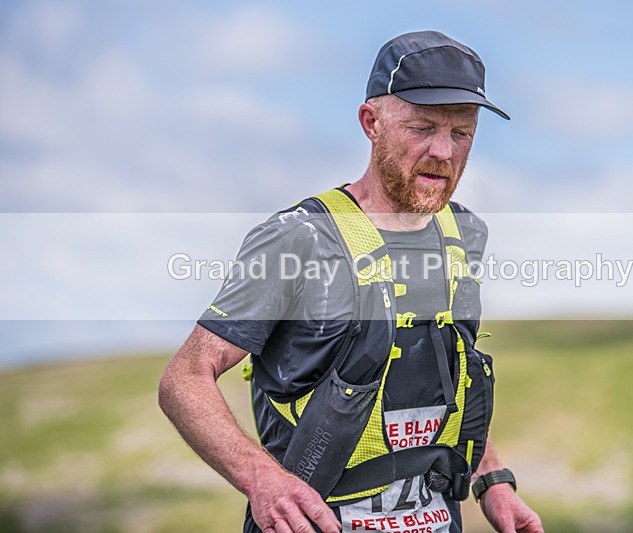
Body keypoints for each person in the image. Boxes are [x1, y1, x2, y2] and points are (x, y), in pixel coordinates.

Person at [159, 30, 545, 533]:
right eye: (422, 127)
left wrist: (493, 482)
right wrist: (262, 480)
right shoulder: (300, 238)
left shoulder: (464, 234)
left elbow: (450, 374)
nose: (443, 152)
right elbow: (183, 379)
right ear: (372, 123)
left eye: (462, 133)